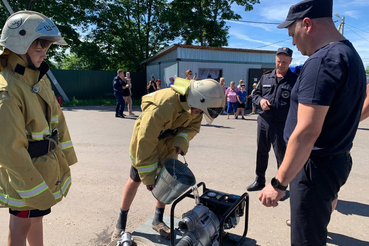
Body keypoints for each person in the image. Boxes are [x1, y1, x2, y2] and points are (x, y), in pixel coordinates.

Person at [258, 1, 366, 246]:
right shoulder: (349, 54)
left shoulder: (322, 62)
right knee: (315, 231)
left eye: (292, 34)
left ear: (306, 24)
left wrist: (279, 183)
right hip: (333, 162)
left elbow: (306, 132)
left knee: (306, 240)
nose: (293, 43)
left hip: (313, 169)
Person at [111, 78, 225, 241]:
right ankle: (120, 224)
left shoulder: (197, 106)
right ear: (195, 99)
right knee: (135, 180)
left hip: (169, 144)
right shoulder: (162, 106)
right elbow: (146, 141)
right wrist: (148, 176)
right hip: (147, 142)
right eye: (199, 111)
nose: (199, 114)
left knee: (167, 182)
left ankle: (158, 220)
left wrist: (181, 141)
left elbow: (192, 127)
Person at [0, 11, 78, 246]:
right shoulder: (7, 92)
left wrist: (66, 158)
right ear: (19, 44)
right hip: (25, 176)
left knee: (37, 219)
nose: (44, 54)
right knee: (21, 222)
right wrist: (34, 189)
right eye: (39, 48)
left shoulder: (38, 76)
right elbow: (11, 152)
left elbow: (58, 119)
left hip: (42, 168)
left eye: (46, 48)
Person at [246, 47, 297, 192]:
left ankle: (282, 185)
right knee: (261, 151)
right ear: (275, 60)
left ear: (290, 61)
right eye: (279, 61)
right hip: (264, 121)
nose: (281, 64)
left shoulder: (295, 80)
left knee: (281, 155)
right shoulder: (266, 77)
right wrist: (261, 100)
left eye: (284, 62)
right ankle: (259, 180)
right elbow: (255, 94)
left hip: (282, 124)